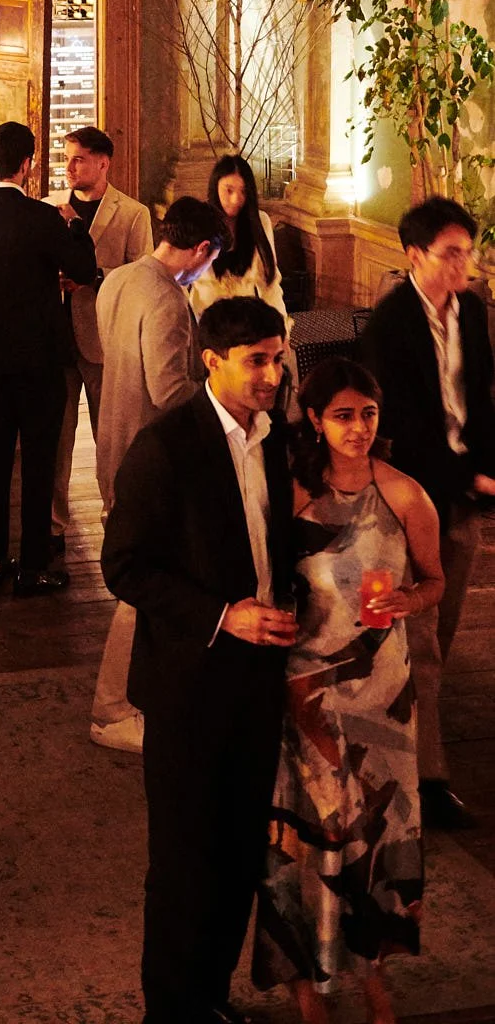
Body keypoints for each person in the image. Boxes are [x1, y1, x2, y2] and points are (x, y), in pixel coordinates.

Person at [102, 297, 298, 1024]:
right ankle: (169, 1011)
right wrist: (224, 616)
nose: (272, 375)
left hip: (259, 678)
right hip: (189, 681)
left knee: (240, 853)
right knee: (184, 862)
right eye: (257, 361)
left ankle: (210, 999)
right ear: (211, 362)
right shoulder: (165, 448)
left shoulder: (274, 440)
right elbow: (122, 566)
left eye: (276, 358)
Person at [253, 358, 443, 1024]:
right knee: (310, 834)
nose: (357, 428)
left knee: (379, 833)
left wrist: (408, 599)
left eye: (366, 413)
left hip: (382, 691)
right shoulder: (292, 492)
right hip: (308, 685)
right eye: (341, 415)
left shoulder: (404, 494)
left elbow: (434, 582)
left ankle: (372, 972)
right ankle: (306, 979)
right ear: (312, 419)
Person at [358, 196, 495, 830]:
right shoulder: (390, 324)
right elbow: (404, 428)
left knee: (439, 634)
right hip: (414, 494)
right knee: (423, 640)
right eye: (452, 254)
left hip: (461, 496)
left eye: (469, 251)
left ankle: (401, 743)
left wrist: (481, 470)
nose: (466, 264)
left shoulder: (470, 310)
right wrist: (468, 474)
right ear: (414, 256)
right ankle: (430, 778)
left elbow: (479, 401)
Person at [89, 194, 224, 751]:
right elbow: (169, 390)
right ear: (200, 249)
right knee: (141, 586)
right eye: (211, 260)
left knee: (143, 577)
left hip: (111, 443)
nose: (207, 271)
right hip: (150, 459)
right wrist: (221, 396)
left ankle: (142, 693)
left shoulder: (118, 279)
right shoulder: (168, 299)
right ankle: (112, 708)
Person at [0, 120, 97, 596]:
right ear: (27, 165)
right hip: (38, 360)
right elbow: (84, 270)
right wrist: (76, 227)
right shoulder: (44, 218)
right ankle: (32, 567)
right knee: (38, 460)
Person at [51, 124, 154, 563]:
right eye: (67, 158)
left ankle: (118, 516)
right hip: (55, 336)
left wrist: (94, 279)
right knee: (55, 438)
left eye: (78, 159)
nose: (69, 167)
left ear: (102, 163)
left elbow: (143, 276)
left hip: (102, 337)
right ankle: (53, 524)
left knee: (110, 435)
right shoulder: (50, 210)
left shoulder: (133, 214)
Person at [191, 152, 291, 335]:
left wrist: (281, 329)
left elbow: (270, 281)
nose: (236, 199)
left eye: (243, 191)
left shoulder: (260, 222)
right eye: (228, 190)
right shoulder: (200, 221)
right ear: (216, 187)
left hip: (250, 325)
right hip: (207, 323)